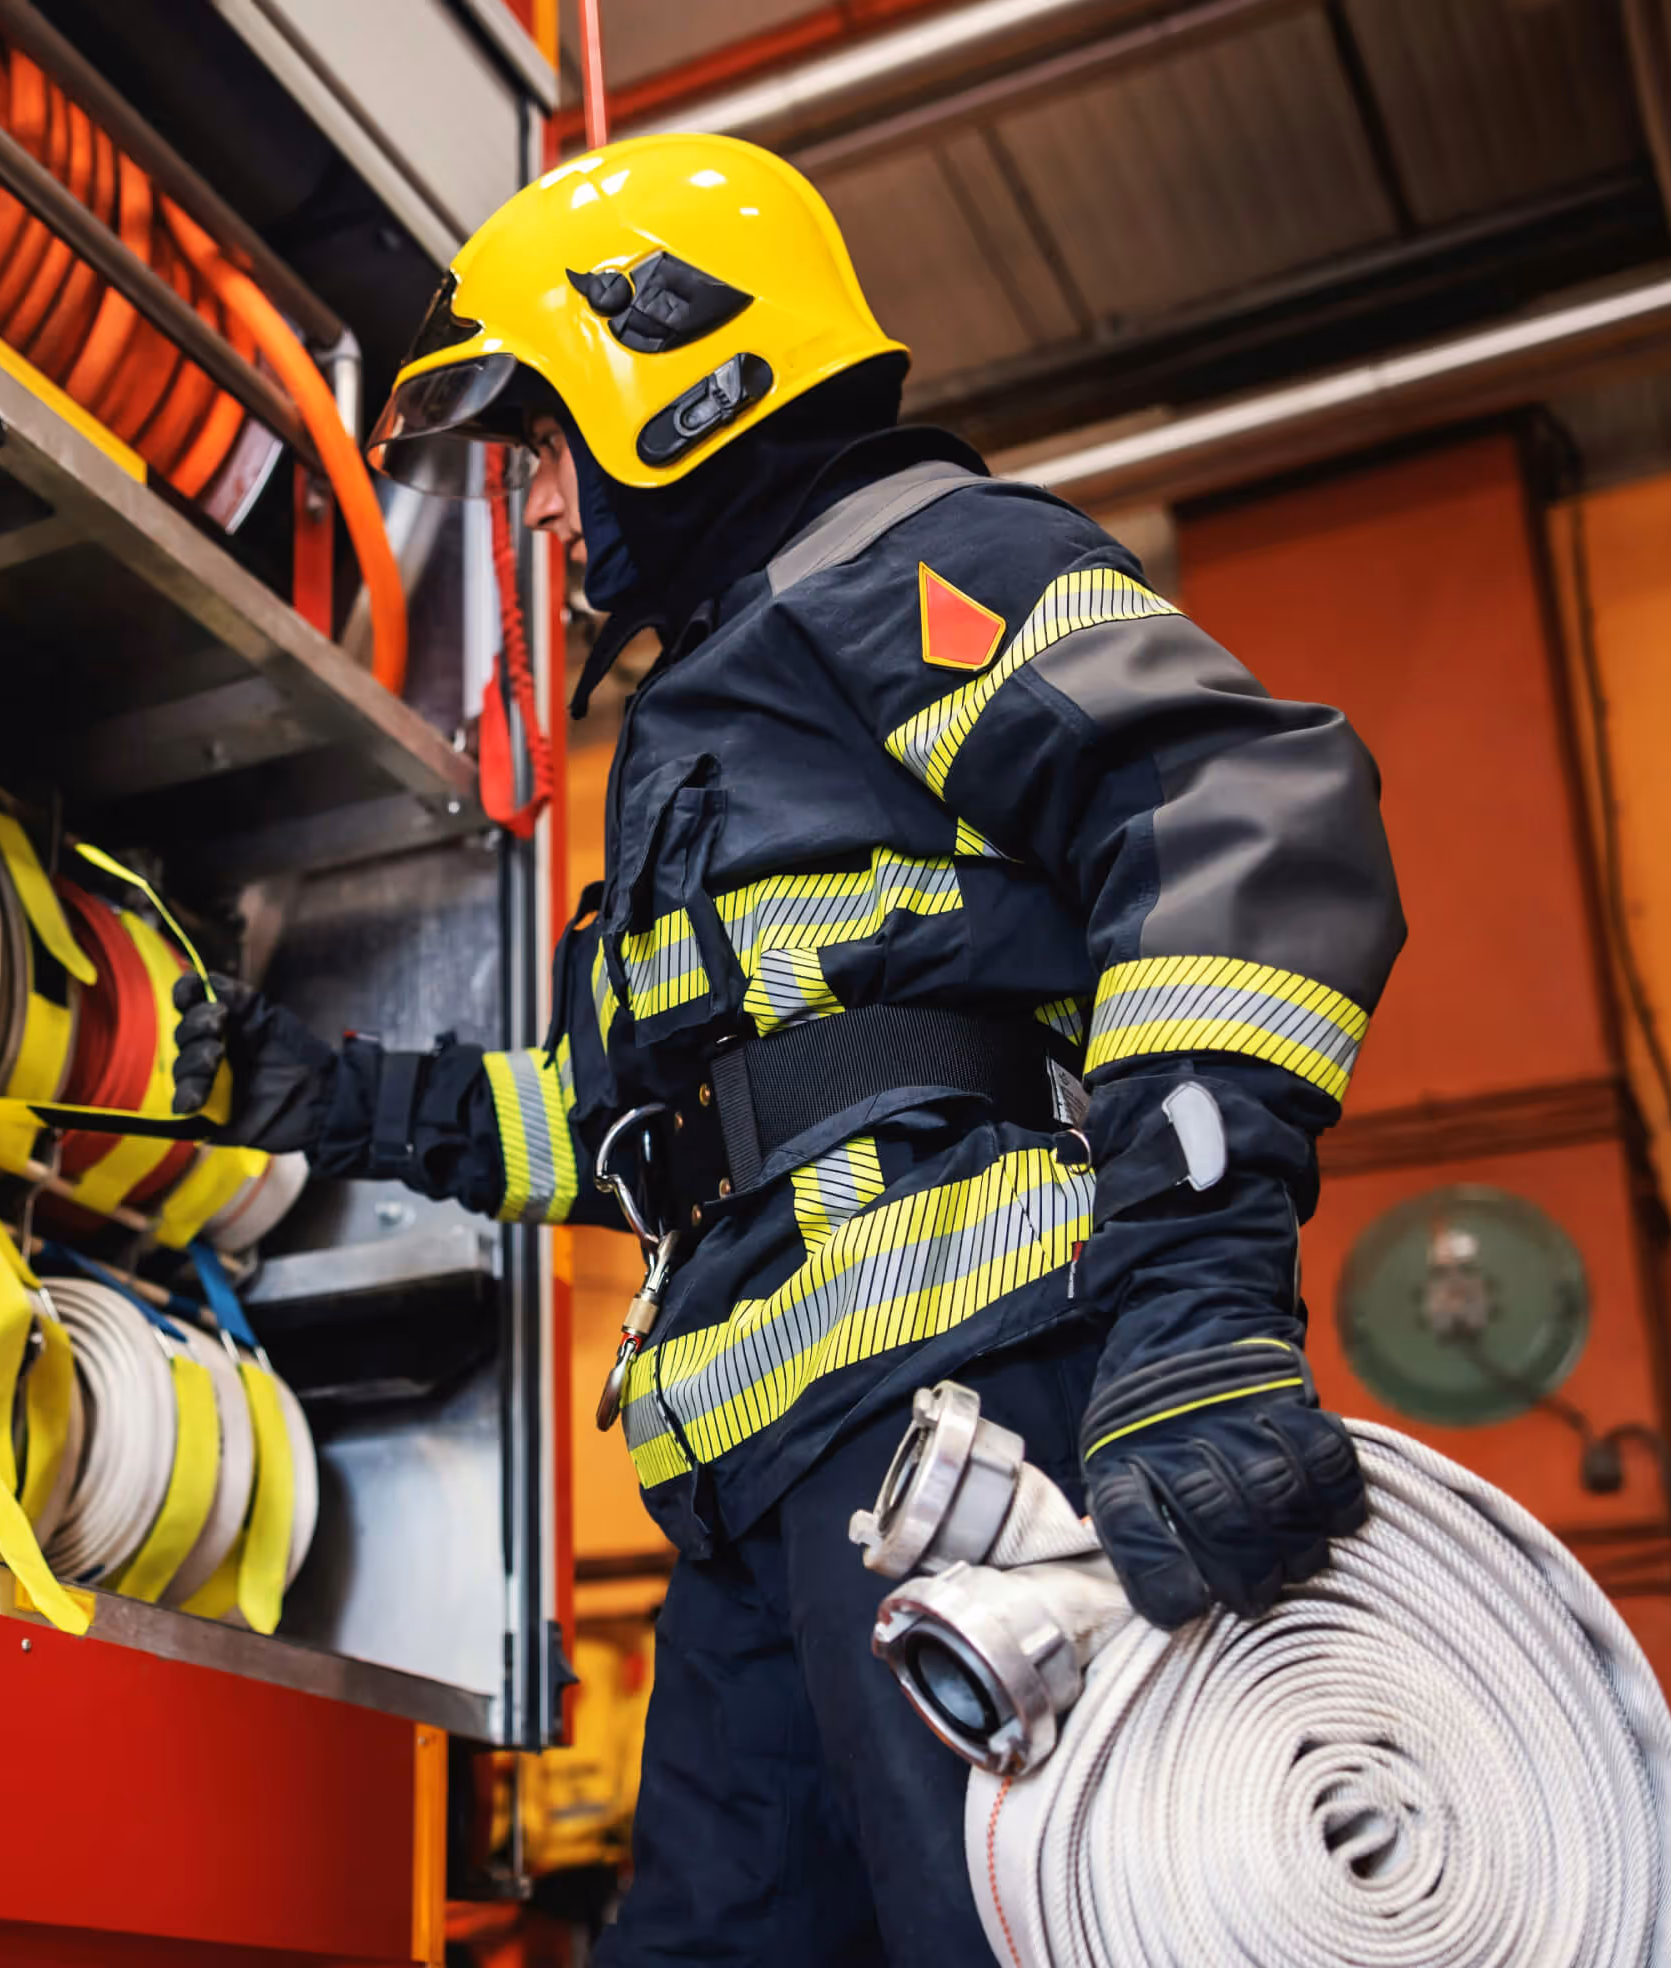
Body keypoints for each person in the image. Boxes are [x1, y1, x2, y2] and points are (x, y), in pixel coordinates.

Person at [169, 132, 1403, 1966]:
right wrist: (330, 1099)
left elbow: (1233, 802)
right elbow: (640, 1127)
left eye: (550, 441)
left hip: (983, 1425)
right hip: (765, 1508)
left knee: (1038, 1933)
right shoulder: (708, 719)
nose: (548, 507)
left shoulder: (905, 567)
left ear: (669, 364)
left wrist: (1199, 1294)